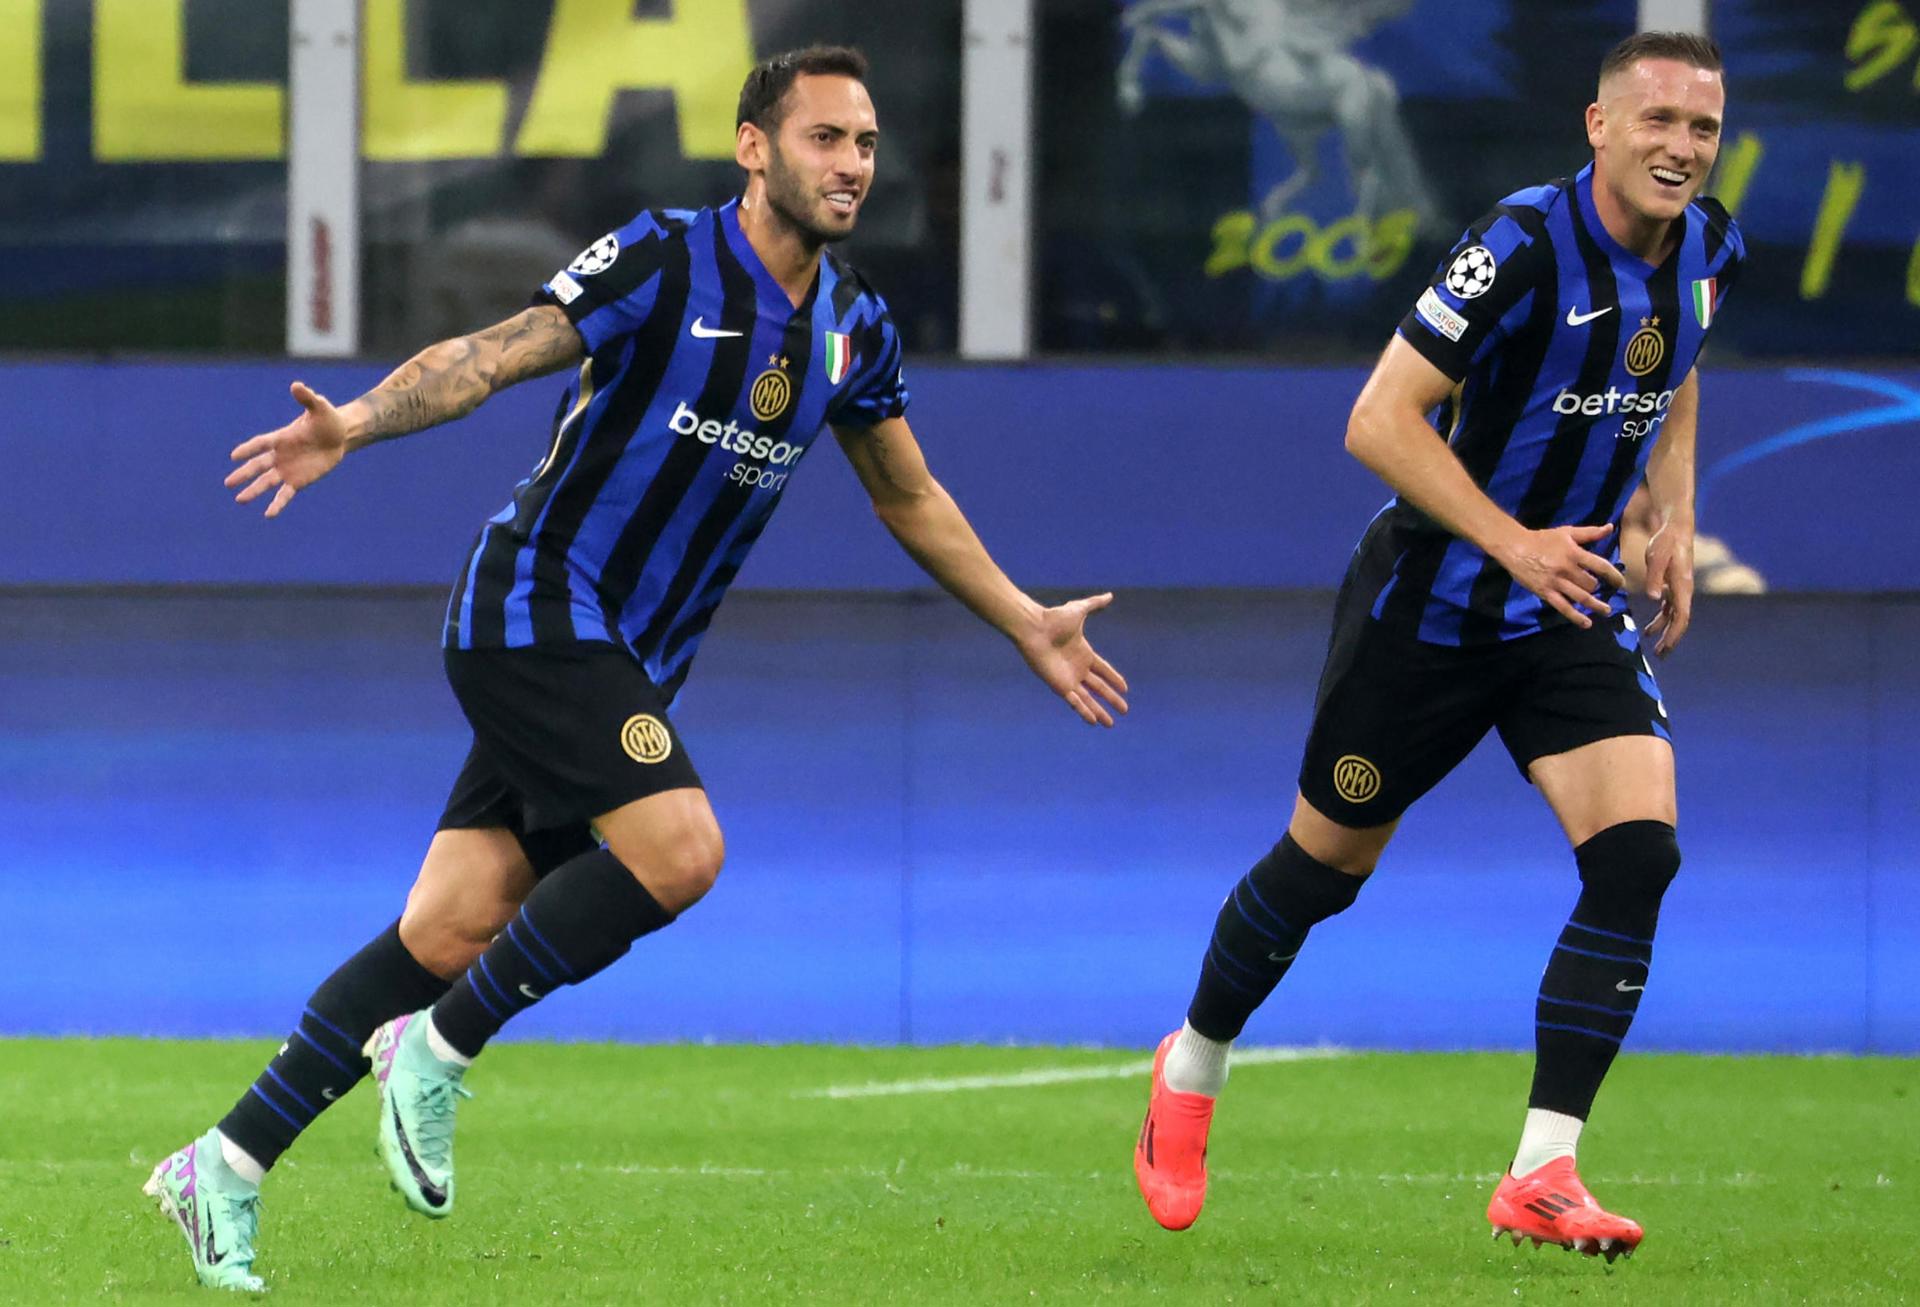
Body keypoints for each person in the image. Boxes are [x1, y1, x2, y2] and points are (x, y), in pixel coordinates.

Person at [144, 45, 1129, 1293]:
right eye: (826, 138)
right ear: (754, 147)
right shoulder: (666, 256)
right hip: (537, 606)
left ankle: (224, 1163)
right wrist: (355, 421)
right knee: (682, 849)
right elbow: (494, 353)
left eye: (867, 142)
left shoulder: (853, 327)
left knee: (449, 923)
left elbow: (910, 493)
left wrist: (1024, 619)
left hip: (630, 661)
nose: (852, 164)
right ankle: (436, 1053)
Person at [1133, 30, 1742, 1261]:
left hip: (1565, 608)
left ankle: (1543, 1169)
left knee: (1639, 855)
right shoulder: (1519, 244)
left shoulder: (1712, 246)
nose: (1682, 147)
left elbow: (1677, 369)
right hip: (1433, 603)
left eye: (1703, 128)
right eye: (1659, 121)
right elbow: (1378, 417)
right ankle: (1192, 1060)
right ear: (1599, 126)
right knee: (1322, 873)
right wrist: (1515, 541)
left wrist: (1668, 508)